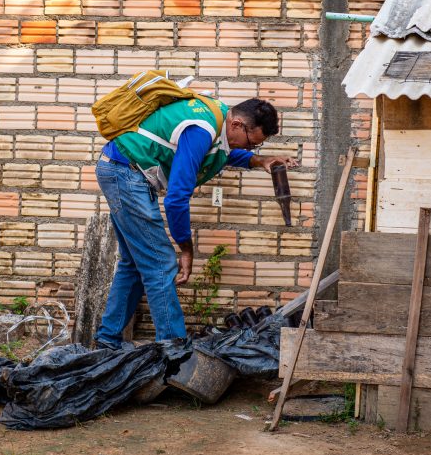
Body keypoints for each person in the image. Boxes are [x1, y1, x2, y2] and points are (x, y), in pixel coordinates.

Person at [93, 97, 298, 349]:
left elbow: (224, 153)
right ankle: (174, 350)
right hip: (125, 173)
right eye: (251, 143)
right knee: (161, 263)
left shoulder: (219, 118)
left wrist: (259, 160)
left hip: (119, 168)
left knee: (134, 263)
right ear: (237, 124)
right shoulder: (202, 129)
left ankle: (107, 340)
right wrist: (186, 249)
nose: (250, 148)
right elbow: (176, 199)